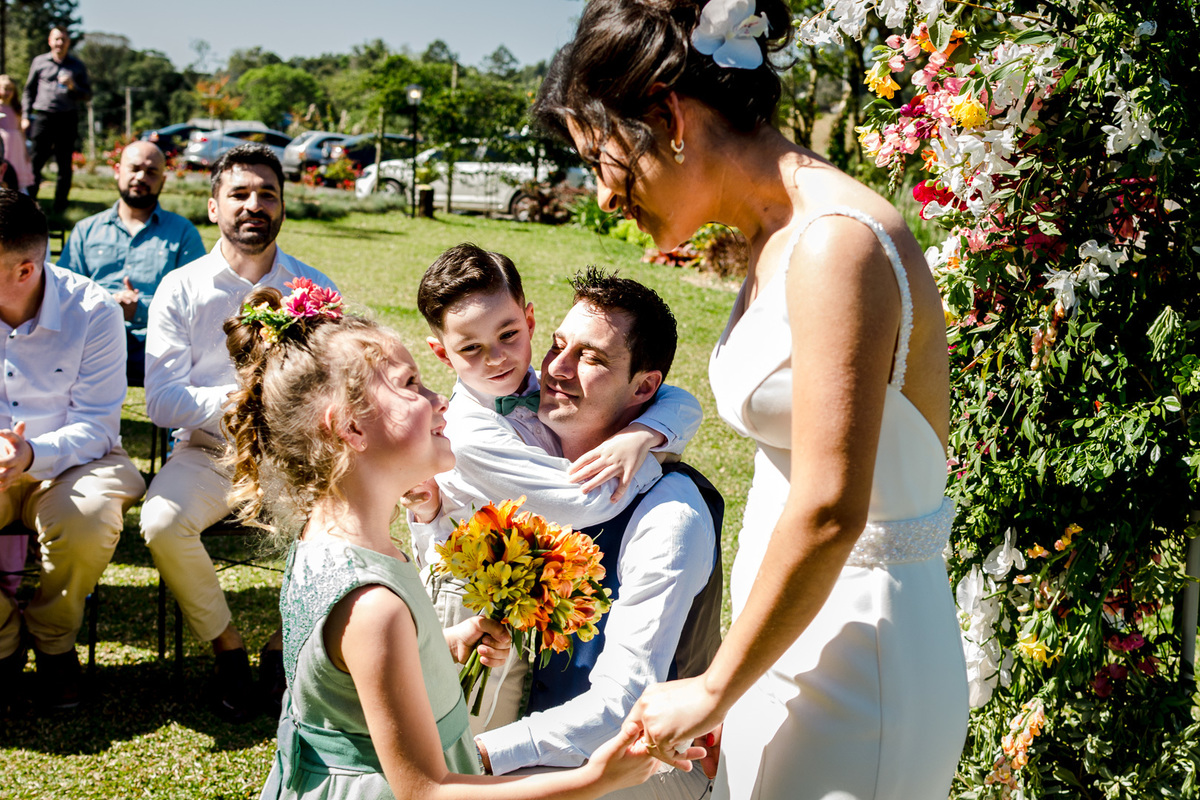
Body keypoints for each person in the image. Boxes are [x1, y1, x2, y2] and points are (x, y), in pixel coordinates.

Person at [533, 1, 970, 798]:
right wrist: (737, 676)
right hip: (787, 635)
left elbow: (833, 506)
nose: (602, 194)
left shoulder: (839, 243)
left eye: (602, 159)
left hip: (862, 659)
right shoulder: (775, 239)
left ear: (668, 115)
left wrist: (711, 686)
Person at [221, 283, 703, 799]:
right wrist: (592, 779)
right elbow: (426, 790)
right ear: (350, 429)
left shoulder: (332, 544)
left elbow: (340, 677)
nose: (439, 399)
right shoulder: (373, 601)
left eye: (589, 357)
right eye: (411, 385)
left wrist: (443, 644)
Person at [410, 244, 702, 732]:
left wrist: (641, 433)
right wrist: (653, 459)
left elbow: (681, 400)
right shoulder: (469, 434)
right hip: (468, 600)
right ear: (442, 352)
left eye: (508, 335)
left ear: (527, 320)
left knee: (514, 716)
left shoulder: (533, 382)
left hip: (519, 587)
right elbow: (583, 501)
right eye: (471, 349)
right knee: (468, 733)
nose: (498, 358)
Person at [464, 269, 724, 800]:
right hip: (536, 728)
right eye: (558, 345)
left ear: (645, 388)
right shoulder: (527, 466)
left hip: (648, 763)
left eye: (592, 357)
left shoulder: (669, 513)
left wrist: (481, 757)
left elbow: (621, 705)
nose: (555, 369)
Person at [143, 143, 334, 722]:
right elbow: (160, 399)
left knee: (339, 528)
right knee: (160, 522)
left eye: (267, 194)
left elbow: (334, 388)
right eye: (240, 194)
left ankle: (282, 651)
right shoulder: (180, 287)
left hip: (289, 459)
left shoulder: (314, 290)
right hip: (207, 454)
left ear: (282, 206)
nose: (254, 205)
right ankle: (227, 649)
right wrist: (238, 402)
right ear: (212, 207)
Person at [0, 188, 146, 709]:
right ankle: (2, 640)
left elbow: (97, 426)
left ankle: (54, 642)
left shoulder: (92, 309)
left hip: (74, 462)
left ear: (25, 270)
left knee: (86, 516)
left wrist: (29, 454)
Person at [58, 141, 206, 386]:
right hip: (90, 340)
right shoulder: (86, 231)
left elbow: (196, 302)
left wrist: (140, 309)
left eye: (151, 172)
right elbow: (62, 292)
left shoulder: (182, 233)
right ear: (118, 171)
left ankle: (178, 422)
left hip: (155, 344)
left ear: (163, 180)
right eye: (134, 168)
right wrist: (106, 307)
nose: (141, 177)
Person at [21, 26, 90, 214]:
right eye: (57, 39)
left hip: (67, 117)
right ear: (50, 41)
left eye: (64, 39)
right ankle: (29, 205)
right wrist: (26, 116)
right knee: (35, 162)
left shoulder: (76, 66)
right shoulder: (40, 62)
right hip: (43, 116)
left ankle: (60, 207)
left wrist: (73, 86)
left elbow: (87, 95)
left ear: (68, 42)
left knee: (64, 164)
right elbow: (29, 90)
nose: (60, 43)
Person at [0, 74, 34, 192]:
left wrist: (25, 151)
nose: (7, 92)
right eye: (5, 89)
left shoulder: (16, 108)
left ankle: (22, 195)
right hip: (3, 145)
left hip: (16, 145)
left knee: (17, 170)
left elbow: (21, 130)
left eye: (10, 89)